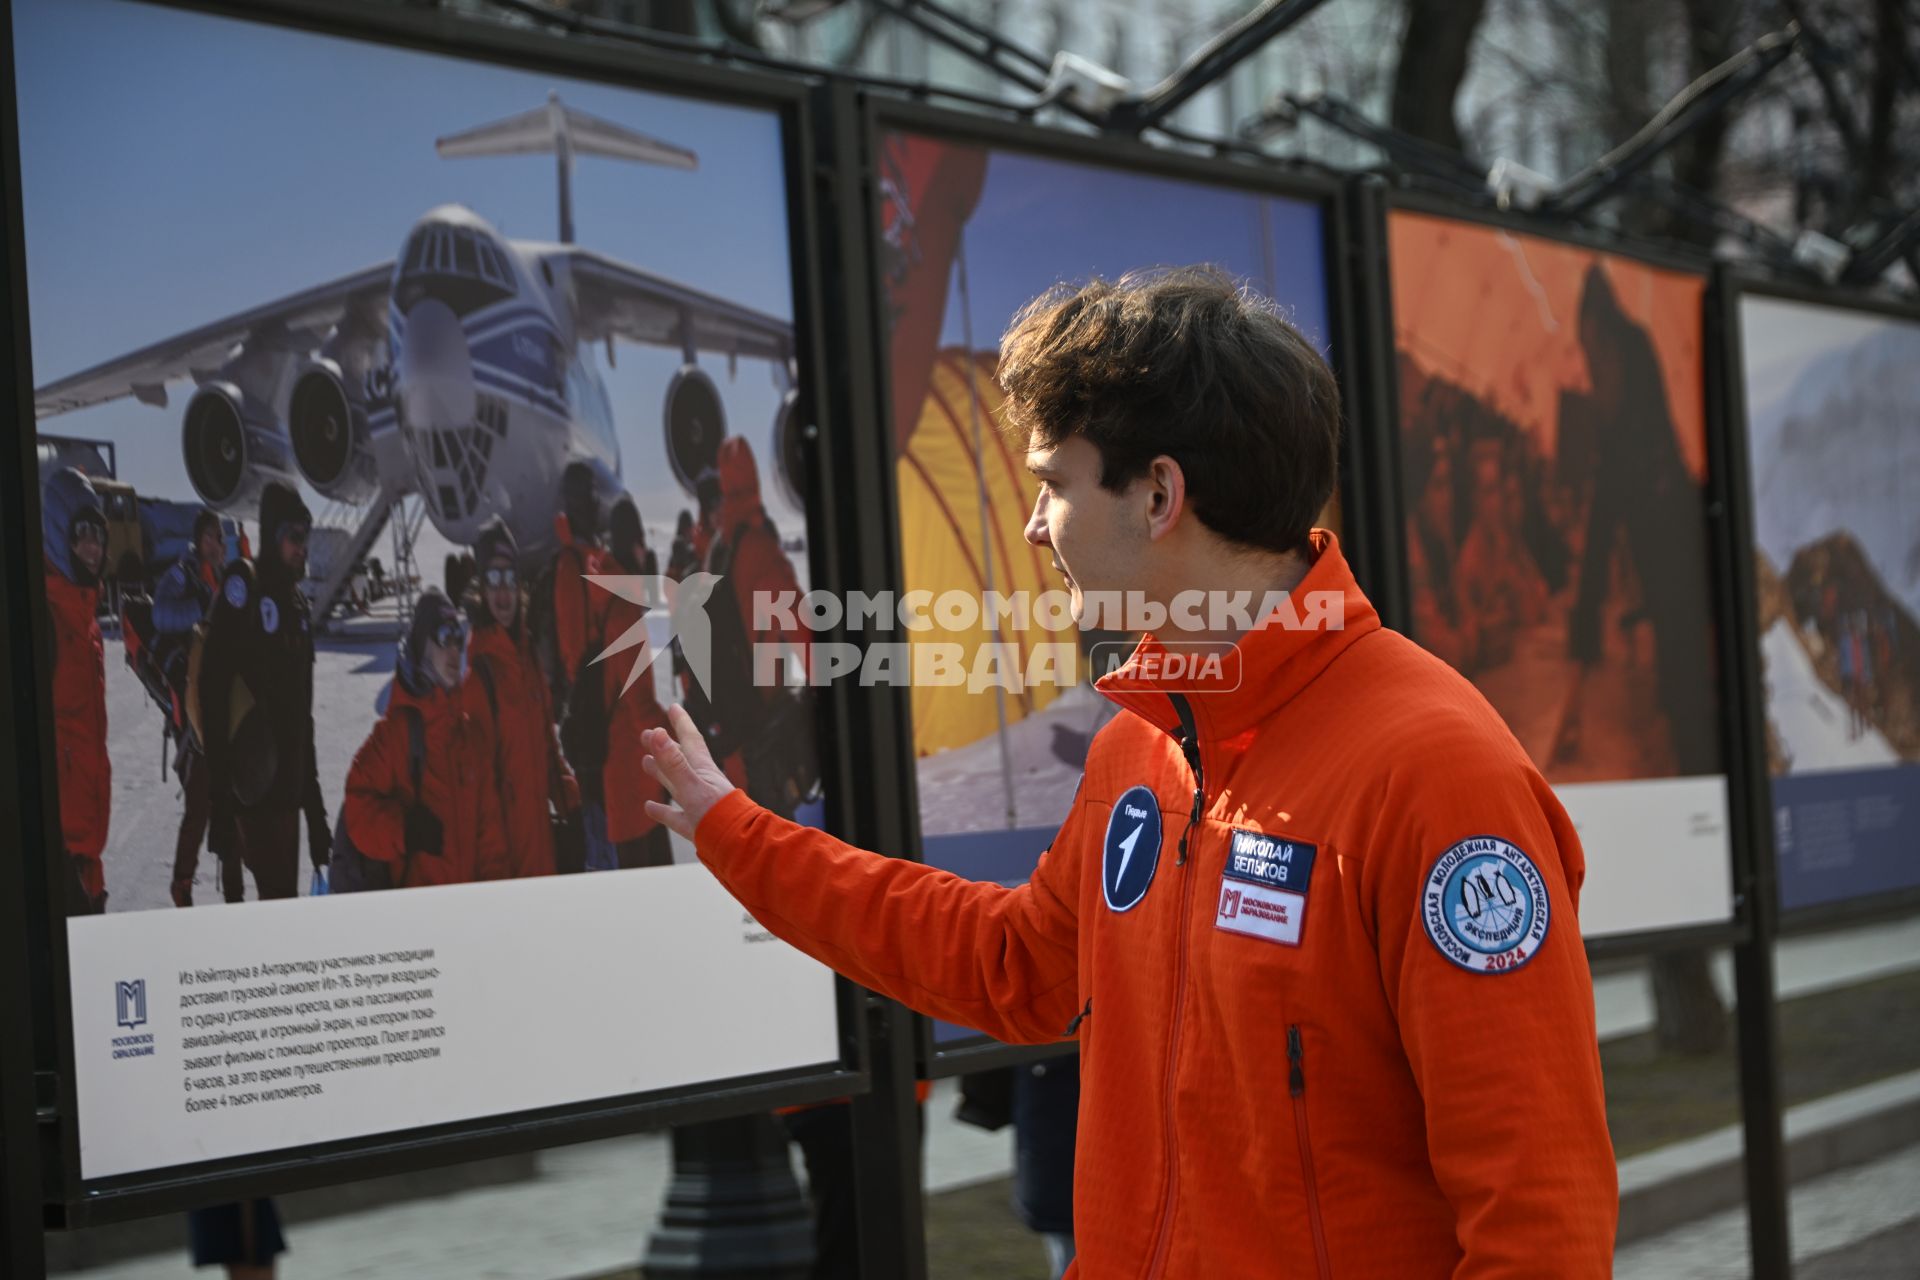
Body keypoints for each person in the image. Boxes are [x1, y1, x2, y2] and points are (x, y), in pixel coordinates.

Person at [641, 268, 1617, 1276]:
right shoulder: (1142, 749)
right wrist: (735, 830)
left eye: (1054, 484)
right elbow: (1010, 964)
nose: (1032, 525)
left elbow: (1538, 1213)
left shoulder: (1436, 772)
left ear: (1159, 494)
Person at [201, 484, 330, 900]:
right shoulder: (245, 588)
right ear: (274, 536)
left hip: (286, 797)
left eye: (306, 537)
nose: (302, 548)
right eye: (295, 537)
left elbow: (302, 719)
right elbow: (212, 691)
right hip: (253, 794)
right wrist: (220, 801)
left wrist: (314, 813)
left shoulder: (296, 608)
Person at [343, 589, 507, 888]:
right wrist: (403, 831)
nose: (455, 650)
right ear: (421, 647)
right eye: (444, 636)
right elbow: (357, 808)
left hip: (467, 914)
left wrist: (492, 903)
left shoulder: (470, 737)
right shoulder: (397, 734)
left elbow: (491, 840)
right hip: (417, 918)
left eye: (459, 637)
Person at [465, 519, 579, 878]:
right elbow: (479, 786)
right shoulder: (477, 670)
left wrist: (569, 801)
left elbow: (547, 746)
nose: (503, 593)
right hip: (506, 858)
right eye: (494, 580)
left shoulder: (526, 656)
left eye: (510, 580)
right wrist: (497, 871)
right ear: (481, 588)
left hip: (540, 843)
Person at [155, 510, 241, 907]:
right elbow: (159, 614)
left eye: (219, 539)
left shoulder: (224, 580)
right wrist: (203, 610)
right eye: (209, 537)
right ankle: (182, 883)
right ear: (197, 540)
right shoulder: (182, 574)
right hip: (191, 713)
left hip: (222, 706)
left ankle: (233, 885)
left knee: (230, 798)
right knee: (198, 804)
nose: (215, 544)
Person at [43, 467, 112, 916]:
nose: (93, 547)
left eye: (98, 535)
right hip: (57, 860)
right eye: (81, 533)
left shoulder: (87, 623)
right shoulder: (44, 619)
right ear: (56, 533)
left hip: (87, 859)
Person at [598, 498, 673, 869]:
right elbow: (639, 705)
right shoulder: (624, 612)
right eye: (641, 542)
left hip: (624, 777)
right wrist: (675, 751)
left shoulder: (609, 602)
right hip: (632, 782)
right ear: (632, 546)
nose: (646, 553)